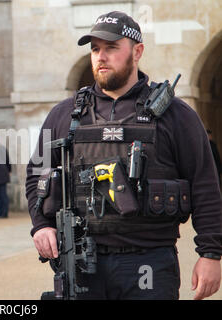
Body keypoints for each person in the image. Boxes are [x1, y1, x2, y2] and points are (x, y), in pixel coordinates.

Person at [26, 11, 221, 300]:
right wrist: (41, 226)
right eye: (95, 49)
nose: (100, 57)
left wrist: (211, 253)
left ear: (137, 51)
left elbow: (205, 186)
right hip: (81, 261)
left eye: (111, 48)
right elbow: (35, 175)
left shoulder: (176, 115)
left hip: (150, 260)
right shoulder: (64, 114)